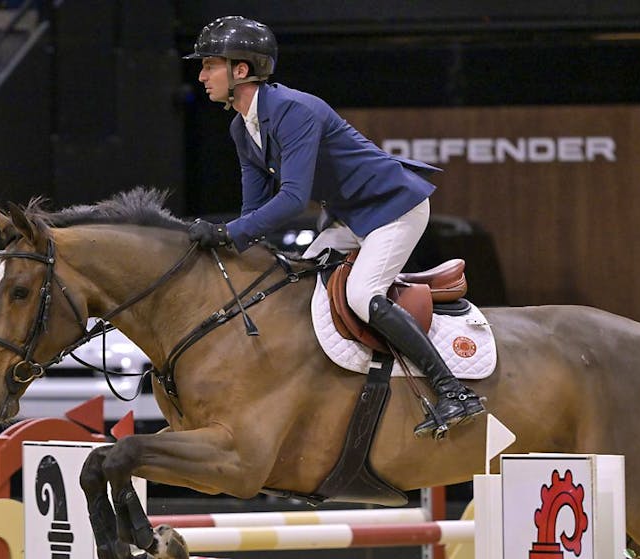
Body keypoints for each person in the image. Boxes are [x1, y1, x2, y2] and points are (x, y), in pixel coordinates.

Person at [183, 16, 485, 439]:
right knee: (298, 288)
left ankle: (453, 391)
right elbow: (254, 208)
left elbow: (291, 199)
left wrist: (227, 233)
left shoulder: (294, 110)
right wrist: (226, 240)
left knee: (362, 294)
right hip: (349, 216)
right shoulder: (241, 127)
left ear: (241, 70)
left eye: (208, 65)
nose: (200, 76)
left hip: (393, 208)